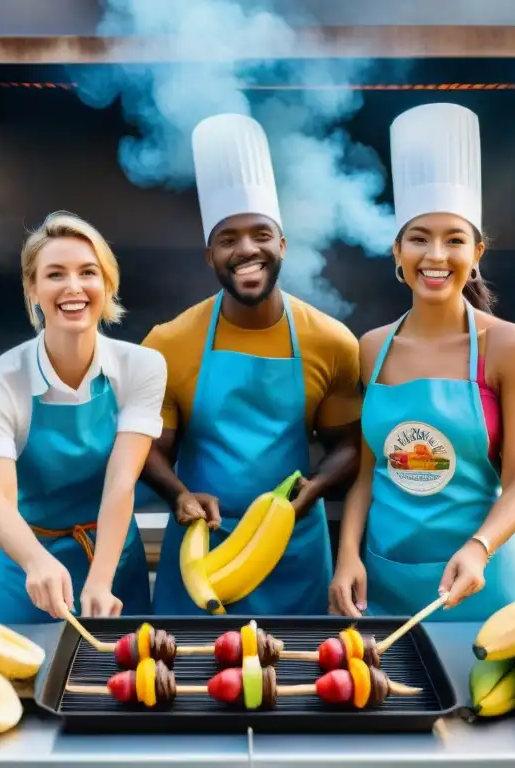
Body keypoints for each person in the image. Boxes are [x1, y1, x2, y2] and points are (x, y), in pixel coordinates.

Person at [329, 103, 515, 621]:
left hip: (480, 579)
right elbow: (368, 470)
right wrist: (346, 556)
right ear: (397, 250)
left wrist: (480, 547)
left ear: (477, 253)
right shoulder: (371, 347)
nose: (436, 256)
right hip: (384, 578)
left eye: (454, 240)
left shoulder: (511, 347)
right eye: (420, 238)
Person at [144, 114, 362, 616]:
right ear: (210, 255)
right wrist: (178, 493)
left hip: (294, 549)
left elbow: (348, 446)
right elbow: (150, 451)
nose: (246, 249)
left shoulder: (330, 340)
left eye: (261, 234)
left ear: (282, 245)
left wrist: (317, 488)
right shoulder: (169, 342)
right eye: (228, 238)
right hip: (204, 548)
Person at [0, 212, 165, 622]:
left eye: (87, 272)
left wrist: (101, 580)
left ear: (107, 284)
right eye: (55, 274)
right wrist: (36, 562)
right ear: (32, 289)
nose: (73, 287)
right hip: (21, 566)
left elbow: (121, 482)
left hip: (111, 559)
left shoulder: (143, 367)